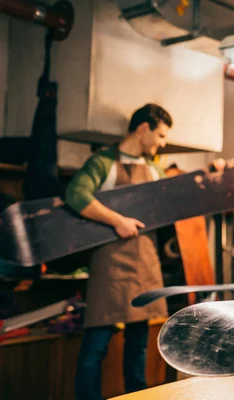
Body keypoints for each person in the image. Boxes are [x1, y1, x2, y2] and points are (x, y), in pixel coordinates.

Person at [68, 103, 172, 400]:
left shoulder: (154, 168)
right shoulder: (102, 163)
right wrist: (118, 221)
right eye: (161, 136)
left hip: (145, 261)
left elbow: (176, 195)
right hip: (111, 263)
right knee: (97, 341)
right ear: (143, 129)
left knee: (138, 341)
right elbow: (75, 195)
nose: (162, 143)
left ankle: (135, 396)